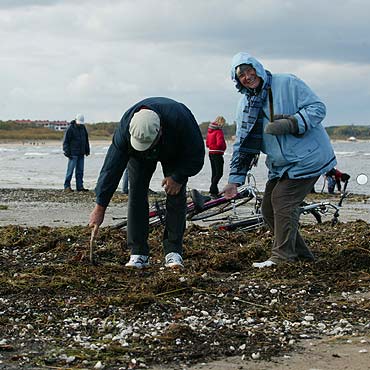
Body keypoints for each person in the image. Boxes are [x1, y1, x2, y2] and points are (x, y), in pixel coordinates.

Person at [223, 52, 337, 268]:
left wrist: (292, 123)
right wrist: (234, 180)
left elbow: (318, 109)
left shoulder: (287, 83)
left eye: (250, 71)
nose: (247, 76)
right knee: (267, 208)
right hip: (281, 164)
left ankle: (282, 257)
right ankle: (302, 256)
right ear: (237, 81)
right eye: (241, 75)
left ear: (258, 68)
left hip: (309, 158)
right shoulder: (244, 106)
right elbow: (242, 144)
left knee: (283, 201)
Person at [89, 97, 205, 269]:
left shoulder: (181, 119)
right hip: (138, 154)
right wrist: (100, 207)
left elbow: (196, 156)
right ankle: (138, 252)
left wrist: (178, 176)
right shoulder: (125, 131)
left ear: (160, 131)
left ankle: (174, 251)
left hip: (173, 149)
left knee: (175, 193)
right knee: (136, 193)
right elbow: (111, 170)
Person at [63, 114, 90, 192]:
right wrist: (66, 152)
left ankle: (80, 186)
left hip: (81, 153)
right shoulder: (70, 128)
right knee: (70, 171)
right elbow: (66, 141)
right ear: (75, 120)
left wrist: (87, 150)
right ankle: (67, 186)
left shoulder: (83, 128)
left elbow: (86, 140)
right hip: (73, 153)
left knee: (80, 171)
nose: (79, 124)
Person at [206, 116, 227, 198]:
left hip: (211, 152)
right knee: (219, 173)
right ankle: (212, 189)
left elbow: (207, 144)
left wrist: (212, 146)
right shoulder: (218, 131)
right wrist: (223, 147)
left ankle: (214, 192)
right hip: (218, 153)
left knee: (214, 173)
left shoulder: (210, 131)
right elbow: (220, 143)